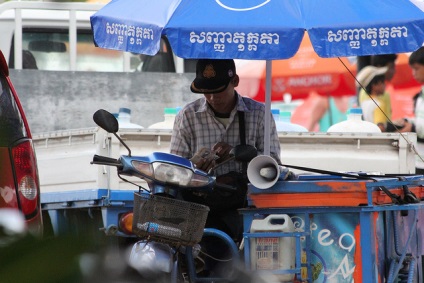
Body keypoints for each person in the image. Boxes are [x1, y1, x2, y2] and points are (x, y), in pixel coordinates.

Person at [170, 58, 281, 273]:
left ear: (235, 81)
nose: (212, 98)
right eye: (206, 92)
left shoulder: (258, 114)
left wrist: (239, 154)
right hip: (202, 207)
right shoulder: (187, 116)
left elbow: (273, 165)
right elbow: (174, 169)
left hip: (244, 206)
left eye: (218, 91)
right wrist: (196, 167)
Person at [358, 54, 412, 132]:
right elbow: (380, 126)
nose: (394, 70)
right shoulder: (378, 100)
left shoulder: (381, 94)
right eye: (391, 67)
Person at [408, 47, 424, 174]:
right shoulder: (420, 95)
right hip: (419, 160)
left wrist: (412, 127)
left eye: (417, 68)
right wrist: (406, 122)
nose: (413, 73)